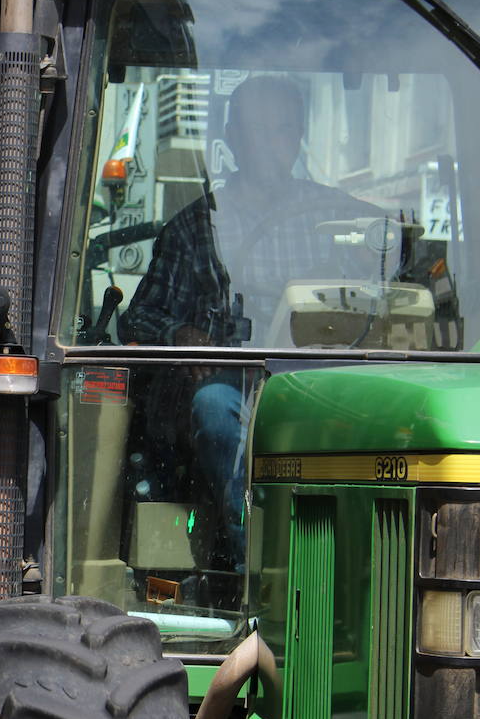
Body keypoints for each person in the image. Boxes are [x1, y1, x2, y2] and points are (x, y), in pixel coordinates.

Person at [119, 75, 381, 568]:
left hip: (324, 378)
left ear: (299, 136)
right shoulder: (195, 226)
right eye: (257, 130)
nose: (270, 143)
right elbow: (139, 316)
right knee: (214, 410)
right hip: (235, 384)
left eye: (282, 130)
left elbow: (387, 281)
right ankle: (258, 565)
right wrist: (181, 334)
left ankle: (361, 563)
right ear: (232, 138)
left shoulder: (337, 216)